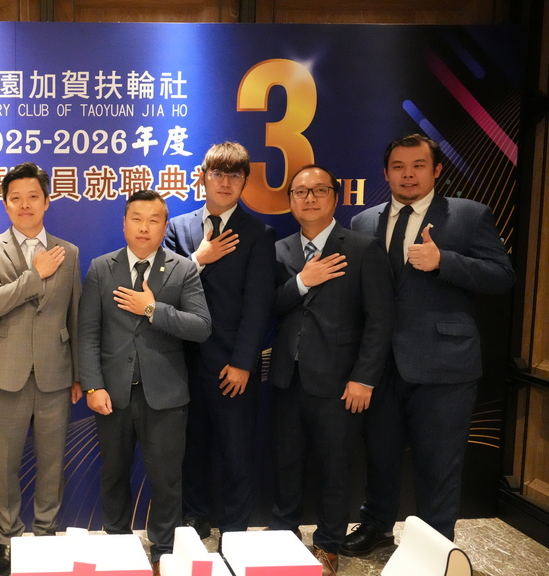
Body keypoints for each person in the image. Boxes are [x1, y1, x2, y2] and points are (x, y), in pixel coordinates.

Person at [343, 134, 514, 554]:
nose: (408, 174)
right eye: (398, 166)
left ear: (436, 170)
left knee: (439, 464)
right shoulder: (363, 222)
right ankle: (376, 526)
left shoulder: (469, 215)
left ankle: (436, 545)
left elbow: (502, 276)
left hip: (444, 364)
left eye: (418, 165)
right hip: (380, 365)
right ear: (386, 173)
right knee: (380, 455)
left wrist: (444, 262)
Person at [269, 165, 395, 575]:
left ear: (335, 198)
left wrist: (364, 378)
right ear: (290, 201)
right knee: (286, 464)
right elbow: (269, 306)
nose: (309, 198)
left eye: (318, 190)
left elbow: (380, 320)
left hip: (342, 383)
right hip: (288, 378)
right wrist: (302, 282)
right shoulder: (280, 250)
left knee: (335, 468)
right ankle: (283, 536)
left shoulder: (361, 247)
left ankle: (328, 544)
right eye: (300, 192)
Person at [80, 189, 211, 575]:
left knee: (167, 479)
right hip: (112, 394)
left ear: (164, 226)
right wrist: (93, 386)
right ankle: (118, 544)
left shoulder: (182, 269)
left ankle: (164, 552)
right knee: (113, 474)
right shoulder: (101, 268)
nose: (144, 227)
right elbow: (88, 333)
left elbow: (201, 327)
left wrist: (153, 308)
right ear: (124, 223)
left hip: (166, 395)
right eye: (136, 219)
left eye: (154, 220)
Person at [0, 161, 83, 576]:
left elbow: (75, 315)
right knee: (5, 464)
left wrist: (78, 374)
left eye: (33, 196)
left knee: (52, 463)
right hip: (5, 375)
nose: (24, 205)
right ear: (5, 204)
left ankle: (45, 534)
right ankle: (6, 540)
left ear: (47, 201)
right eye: (15, 198)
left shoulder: (69, 252)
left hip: (55, 374)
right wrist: (35, 275)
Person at [163, 141, 275, 540]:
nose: (225, 182)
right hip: (181, 362)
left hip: (231, 364)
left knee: (235, 451)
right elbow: (163, 289)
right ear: (203, 177)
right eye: (217, 174)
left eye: (234, 175)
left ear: (244, 181)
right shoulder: (177, 228)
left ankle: (233, 528)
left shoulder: (259, 234)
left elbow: (258, 306)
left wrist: (244, 362)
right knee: (190, 448)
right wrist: (199, 258)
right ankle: (194, 518)